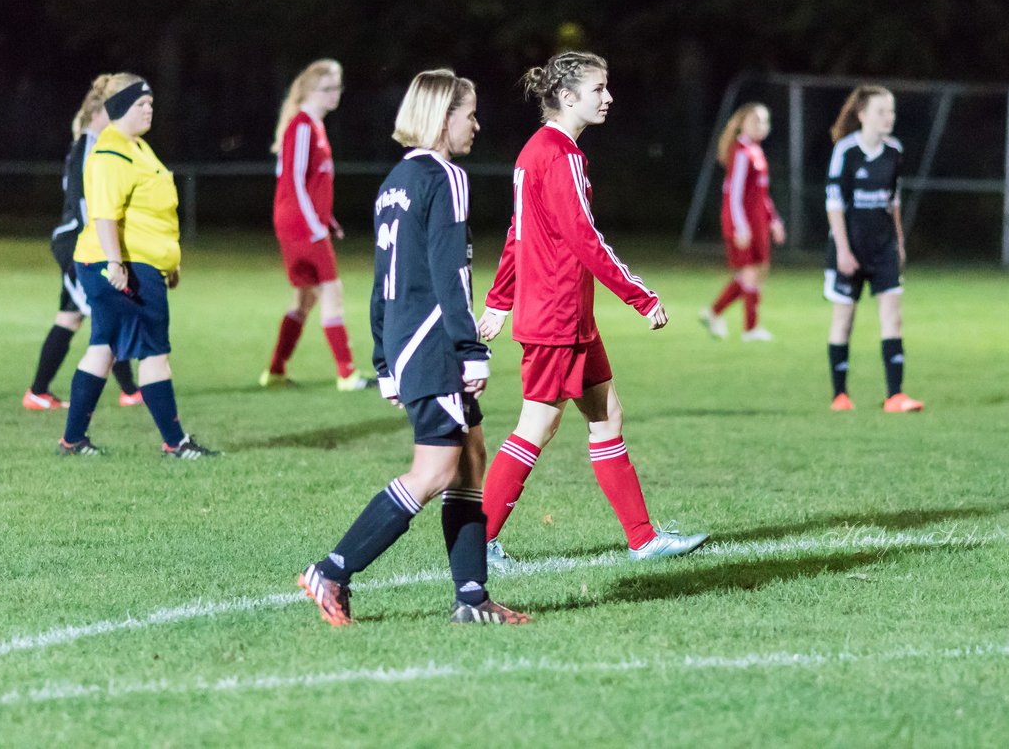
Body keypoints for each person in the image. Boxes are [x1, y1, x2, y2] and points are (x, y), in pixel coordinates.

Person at [298, 69, 529, 626]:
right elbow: (451, 273)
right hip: (433, 341)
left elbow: (381, 280)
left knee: (471, 461)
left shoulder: (395, 180)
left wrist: (384, 360)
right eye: (468, 113)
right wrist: (469, 348)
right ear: (441, 117)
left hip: (406, 338)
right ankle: (331, 569)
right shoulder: (446, 176)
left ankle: (472, 601)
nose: (476, 124)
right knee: (435, 471)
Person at [477, 51, 708, 567]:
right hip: (557, 315)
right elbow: (583, 238)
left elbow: (518, 233)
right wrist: (640, 296)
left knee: (607, 417)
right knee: (536, 426)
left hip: (567, 314)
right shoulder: (559, 155)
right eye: (599, 89)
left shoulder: (536, 151)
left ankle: (643, 539)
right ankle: (479, 540)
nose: (609, 97)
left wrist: (499, 299)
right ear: (566, 96)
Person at [56, 73, 218, 458]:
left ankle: (73, 440)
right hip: (123, 263)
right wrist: (116, 262)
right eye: (140, 104)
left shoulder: (136, 147)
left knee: (105, 346)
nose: (149, 110)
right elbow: (105, 215)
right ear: (118, 108)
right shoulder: (114, 151)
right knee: (154, 352)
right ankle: (176, 444)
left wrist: (168, 261)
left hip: (131, 262)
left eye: (150, 104)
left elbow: (151, 212)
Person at [25, 77, 143, 410]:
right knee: (109, 310)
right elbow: (85, 204)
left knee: (70, 316)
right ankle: (131, 390)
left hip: (79, 241)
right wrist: (108, 251)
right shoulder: (91, 145)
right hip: (79, 242)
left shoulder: (97, 143)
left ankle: (38, 392)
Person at [261, 58, 372, 391]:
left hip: (301, 221)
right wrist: (314, 225)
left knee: (304, 298)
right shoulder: (304, 125)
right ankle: (347, 374)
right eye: (326, 88)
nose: (333, 94)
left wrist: (328, 218)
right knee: (331, 290)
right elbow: (293, 180)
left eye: (337, 87)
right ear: (309, 90)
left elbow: (311, 183)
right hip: (299, 223)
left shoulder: (312, 126)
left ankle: (276, 371)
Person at [823, 84, 923, 413]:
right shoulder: (846, 151)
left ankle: (895, 396)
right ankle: (840, 396)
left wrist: (900, 241)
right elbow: (834, 204)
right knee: (844, 321)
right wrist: (843, 251)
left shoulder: (894, 151)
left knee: (893, 318)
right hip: (849, 247)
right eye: (881, 111)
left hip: (884, 249)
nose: (888, 117)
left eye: (891, 111)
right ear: (863, 115)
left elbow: (893, 201)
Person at [699, 102, 786, 341]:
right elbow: (734, 193)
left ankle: (713, 312)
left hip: (757, 221)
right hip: (743, 221)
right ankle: (750, 329)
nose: (761, 125)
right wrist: (740, 226)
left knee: (758, 271)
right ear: (742, 124)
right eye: (756, 120)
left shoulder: (756, 151)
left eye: (765, 121)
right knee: (750, 272)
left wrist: (774, 220)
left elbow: (762, 194)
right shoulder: (741, 152)